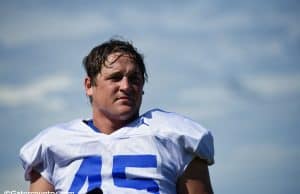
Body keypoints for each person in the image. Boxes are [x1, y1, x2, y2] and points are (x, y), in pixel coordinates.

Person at [19, 38, 214, 194]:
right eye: (115, 77)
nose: (126, 86)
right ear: (89, 86)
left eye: (134, 79)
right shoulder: (52, 144)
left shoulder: (173, 136)